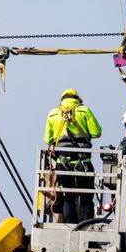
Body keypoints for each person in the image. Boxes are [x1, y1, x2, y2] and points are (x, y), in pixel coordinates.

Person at [43, 88, 102, 223]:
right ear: (77, 98)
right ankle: (86, 223)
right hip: (83, 162)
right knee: (86, 195)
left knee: (67, 195)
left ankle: (70, 222)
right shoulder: (84, 110)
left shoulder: (53, 113)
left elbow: (47, 139)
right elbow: (97, 132)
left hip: (63, 162)